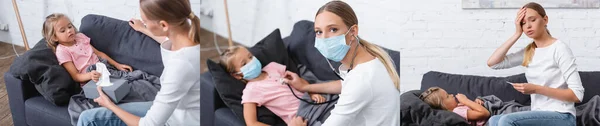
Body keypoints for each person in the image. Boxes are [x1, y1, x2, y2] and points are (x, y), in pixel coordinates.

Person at [76, 0, 201, 125]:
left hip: (176, 121)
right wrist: (143, 28)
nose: (144, 23)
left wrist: (109, 105)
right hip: (173, 110)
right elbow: (165, 39)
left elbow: (148, 124)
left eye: (145, 21)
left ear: (163, 25)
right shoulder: (187, 37)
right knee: (87, 116)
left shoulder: (181, 65)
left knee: (88, 119)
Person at [284, 1, 400, 125]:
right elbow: (344, 84)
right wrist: (306, 87)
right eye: (319, 32)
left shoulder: (361, 79)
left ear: (353, 32)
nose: (324, 38)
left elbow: (356, 86)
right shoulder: (369, 60)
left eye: (333, 29)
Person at [486, 2, 584, 126]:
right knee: (494, 120)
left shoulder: (559, 49)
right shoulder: (529, 52)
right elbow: (493, 63)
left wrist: (536, 89)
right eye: (523, 23)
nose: (528, 26)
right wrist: (516, 34)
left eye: (532, 20)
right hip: (539, 113)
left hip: (562, 116)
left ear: (545, 19)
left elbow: (577, 95)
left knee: (507, 121)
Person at [218, 46, 326, 125]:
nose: (251, 61)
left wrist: (312, 93)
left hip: (313, 102)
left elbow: (298, 81)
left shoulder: (273, 67)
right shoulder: (251, 91)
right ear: (237, 76)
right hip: (302, 117)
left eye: (250, 56)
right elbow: (252, 123)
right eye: (244, 64)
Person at [43, 13, 132, 87]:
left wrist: (117, 65)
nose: (69, 31)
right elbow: (76, 76)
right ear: (54, 37)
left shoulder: (80, 37)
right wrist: (90, 75)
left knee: (130, 81)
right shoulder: (62, 51)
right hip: (90, 79)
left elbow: (99, 54)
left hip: (103, 69)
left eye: (70, 26)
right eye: (63, 30)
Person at [420, 87, 489, 126]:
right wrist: (465, 100)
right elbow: (485, 113)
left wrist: (477, 101)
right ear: (443, 106)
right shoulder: (457, 111)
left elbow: (475, 108)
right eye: (447, 96)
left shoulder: (458, 106)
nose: (452, 95)